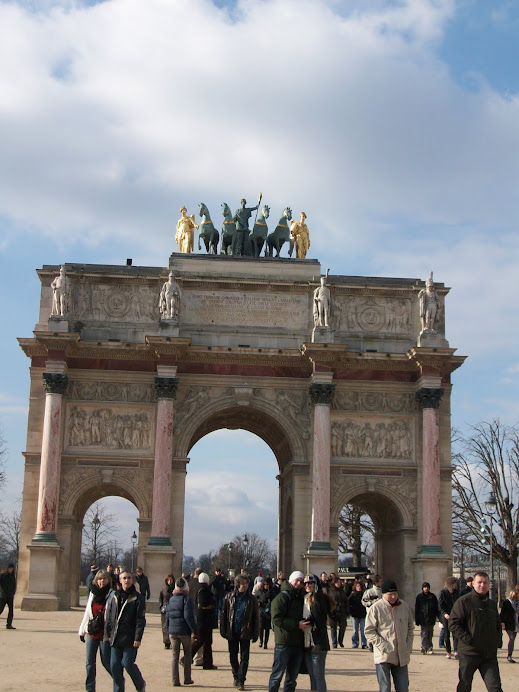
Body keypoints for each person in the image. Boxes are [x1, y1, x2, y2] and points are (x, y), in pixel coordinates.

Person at [449, 571, 503, 692]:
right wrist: (469, 639)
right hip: (469, 653)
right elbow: (453, 624)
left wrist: (497, 641)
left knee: (495, 688)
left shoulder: (492, 604)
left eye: (485, 583)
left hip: (488, 655)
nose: (482, 585)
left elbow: (497, 625)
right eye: (479, 582)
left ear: (488, 585)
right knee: (465, 686)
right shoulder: (463, 602)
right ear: (473, 584)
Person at [365, 579, 414, 692]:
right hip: (384, 656)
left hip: (401, 655)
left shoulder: (404, 606)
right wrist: (383, 646)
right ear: (383, 594)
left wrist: (408, 645)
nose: (393, 597)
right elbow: (369, 631)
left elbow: (411, 628)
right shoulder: (375, 608)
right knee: (385, 688)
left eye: (395, 594)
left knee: (403, 688)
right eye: (390, 594)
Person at [268, 570, 311, 692]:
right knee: (277, 675)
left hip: (297, 642)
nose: (299, 583)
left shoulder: (301, 597)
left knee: (292, 678)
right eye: (297, 580)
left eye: (301, 581)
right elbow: (276, 618)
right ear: (291, 581)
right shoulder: (282, 597)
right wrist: (296, 625)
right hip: (284, 642)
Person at [104, 570, 147, 692]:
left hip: (130, 637)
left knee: (127, 664)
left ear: (132, 580)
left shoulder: (138, 598)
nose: (127, 580)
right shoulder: (114, 596)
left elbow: (140, 619)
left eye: (129, 578)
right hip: (116, 637)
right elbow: (108, 617)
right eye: (124, 578)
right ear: (120, 580)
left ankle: (140, 684)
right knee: (114, 666)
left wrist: (138, 638)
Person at [220, 573, 260, 690]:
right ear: (237, 585)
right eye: (243, 584)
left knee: (244, 657)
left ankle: (241, 680)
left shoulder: (252, 599)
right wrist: (223, 629)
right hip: (232, 631)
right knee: (233, 656)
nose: (245, 586)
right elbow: (224, 615)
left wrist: (256, 633)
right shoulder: (228, 597)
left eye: (247, 583)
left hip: (245, 631)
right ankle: (236, 676)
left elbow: (255, 617)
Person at [79, 569, 112, 692]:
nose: (102, 581)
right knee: (89, 663)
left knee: (106, 662)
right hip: (92, 632)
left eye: (104, 578)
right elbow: (87, 613)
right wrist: (82, 630)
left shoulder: (112, 595)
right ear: (96, 580)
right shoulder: (92, 594)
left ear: (108, 580)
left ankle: (118, 680)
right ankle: (90, 689)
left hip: (104, 634)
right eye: (99, 579)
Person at [166, 577, 198, 687]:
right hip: (184, 631)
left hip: (172, 631)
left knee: (175, 656)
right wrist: (194, 630)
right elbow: (188, 617)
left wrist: (168, 629)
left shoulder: (171, 599)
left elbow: (167, 616)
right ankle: (187, 678)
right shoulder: (187, 600)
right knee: (188, 654)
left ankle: (175, 680)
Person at [303, 574, 331, 692]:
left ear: (316, 584)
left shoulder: (319, 598)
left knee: (318, 676)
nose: (307, 585)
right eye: (306, 583)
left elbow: (319, 618)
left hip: (318, 641)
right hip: (308, 640)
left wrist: (308, 621)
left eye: (310, 583)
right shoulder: (306, 597)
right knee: (312, 675)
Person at [190, 572, 218, 670]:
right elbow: (202, 603)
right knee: (202, 640)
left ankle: (208, 663)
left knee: (207, 642)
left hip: (204, 619)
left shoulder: (198, 588)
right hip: (204, 619)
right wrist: (212, 603)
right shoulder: (203, 590)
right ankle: (186, 658)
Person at [415, 582, 439, 654]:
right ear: (422, 588)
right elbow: (417, 608)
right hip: (423, 618)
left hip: (431, 618)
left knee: (430, 633)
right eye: (425, 587)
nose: (426, 588)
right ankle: (424, 647)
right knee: (424, 633)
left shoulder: (432, 597)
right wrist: (417, 619)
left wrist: (438, 617)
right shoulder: (419, 597)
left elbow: (436, 608)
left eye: (427, 587)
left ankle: (429, 647)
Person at [439, 576, 459, 659]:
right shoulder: (443, 592)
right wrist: (444, 613)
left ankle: (456, 651)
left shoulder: (456, 592)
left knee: (456, 634)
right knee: (446, 634)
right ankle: (448, 651)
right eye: (454, 584)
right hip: (446, 616)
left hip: (454, 615)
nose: (456, 585)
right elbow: (440, 605)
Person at [500, 586, 519, 663]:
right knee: (511, 638)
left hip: (516, 623)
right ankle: (509, 655)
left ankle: (510, 655)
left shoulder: (518, 603)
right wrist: (502, 623)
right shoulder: (507, 603)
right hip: (509, 624)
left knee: (513, 639)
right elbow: (502, 614)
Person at [328, 577, 348, 648]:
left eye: (340, 582)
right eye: (337, 582)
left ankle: (340, 641)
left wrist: (347, 610)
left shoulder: (342, 591)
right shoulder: (330, 591)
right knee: (333, 627)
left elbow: (346, 601)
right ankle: (334, 643)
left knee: (343, 626)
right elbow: (329, 601)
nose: (339, 584)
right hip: (333, 611)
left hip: (342, 611)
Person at [349, 579, 368, 649]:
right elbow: (348, 603)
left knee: (363, 630)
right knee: (355, 631)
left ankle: (364, 643)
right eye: (357, 586)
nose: (359, 587)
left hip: (363, 614)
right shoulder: (353, 595)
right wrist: (350, 612)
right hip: (354, 615)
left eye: (360, 586)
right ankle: (355, 643)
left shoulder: (364, 594)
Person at [256, 578, 274, 649]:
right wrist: (258, 603)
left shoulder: (271, 592)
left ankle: (265, 643)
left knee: (267, 629)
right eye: (265, 584)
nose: (266, 586)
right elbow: (255, 598)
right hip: (261, 611)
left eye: (267, 584)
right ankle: (261, 641)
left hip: (268, 611)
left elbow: (273, 601)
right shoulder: (260, 592)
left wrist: (269, 608)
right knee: (261, 628)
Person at [159, 574, 175, 649]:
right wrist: (161, 606)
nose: (169, 581)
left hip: (173, 609)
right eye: (168, 580)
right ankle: (166, 642)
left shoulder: (175, 589)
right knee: (165, 626)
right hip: (165, 609)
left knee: (172, 626)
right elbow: (160, 598)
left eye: (171, 580)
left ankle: (173, 641)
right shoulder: (163, 588)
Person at [0, 563, 16, 629]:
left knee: (11, 611)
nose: (10, 570)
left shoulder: (13, 576)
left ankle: (9, 624)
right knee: (0, 610)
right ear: (8, 569)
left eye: (12, 569)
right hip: (3, 596)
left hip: (10, 596)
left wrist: (13, 592)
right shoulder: (3, 576)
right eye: (10, 568)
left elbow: (14, 585)